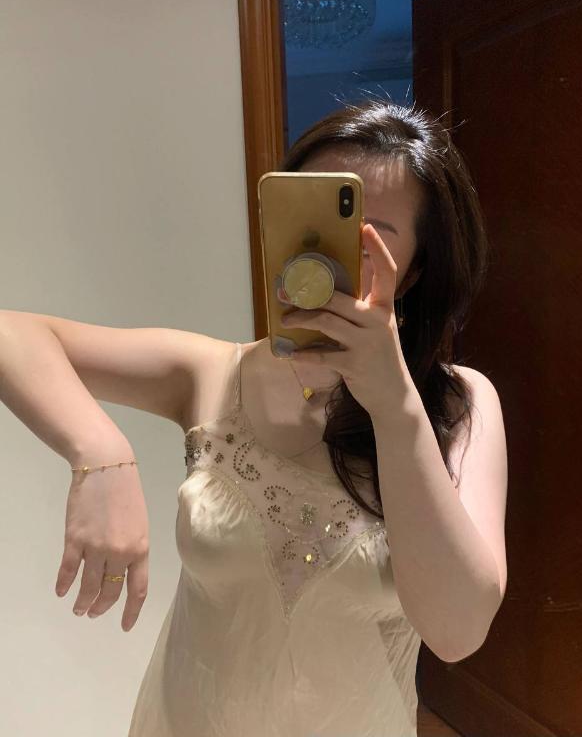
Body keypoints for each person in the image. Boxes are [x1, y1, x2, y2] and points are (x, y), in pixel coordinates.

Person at [0, 99, 507, 737]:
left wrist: (394, 405)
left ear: (413, 271)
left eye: (367, 236)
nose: (323, 256)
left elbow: (457, 633)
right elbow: (12, 333)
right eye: (306, 222)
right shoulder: (211, 373)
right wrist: (100, 453)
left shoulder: (456, 405)